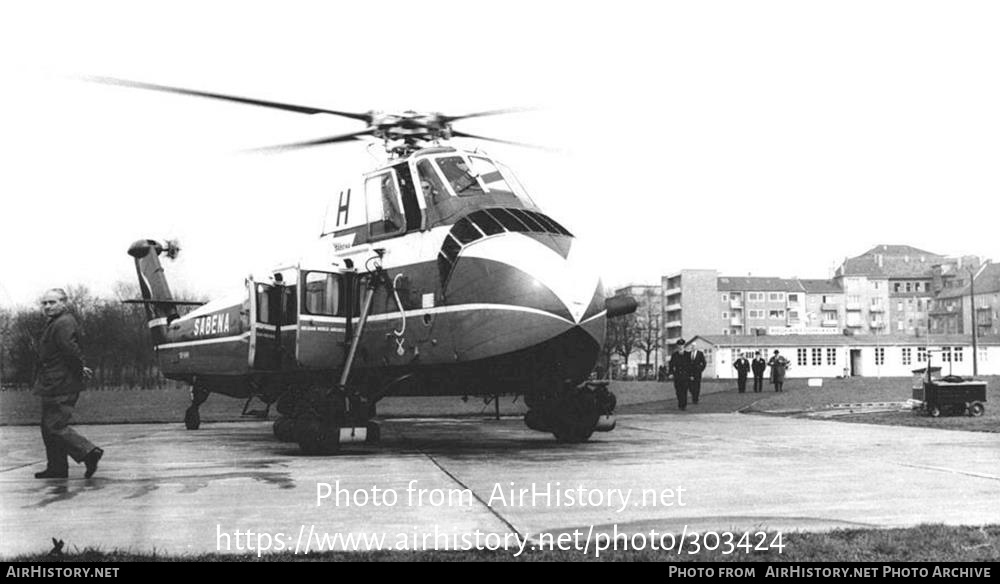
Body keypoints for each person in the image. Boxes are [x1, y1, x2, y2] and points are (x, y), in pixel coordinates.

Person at [33, 289, 103, 479]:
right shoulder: (56, 323)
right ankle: (57, 467)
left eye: (52, 302)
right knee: (48, 428)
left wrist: (79, 368)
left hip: (60, 383)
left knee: (54, 426)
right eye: (45, 303)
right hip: (52, 382)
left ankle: (89, 452)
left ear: (64, 303)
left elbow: (70, 350)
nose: (47, 306)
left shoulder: (63, 322)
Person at [667, 339, 691, 410]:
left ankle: (683, 405)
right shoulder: (674, 355)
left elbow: (690, 366)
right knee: (678, 391)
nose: (680, 347)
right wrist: (671, 373)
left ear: (684, 346)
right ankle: (680, 402)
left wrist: (691, 375)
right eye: (679, 345)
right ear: (677, 346)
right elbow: (671, 365)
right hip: (677, 375)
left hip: (685, 375)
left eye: (682, 345)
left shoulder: (687, 355)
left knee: (684, 390)